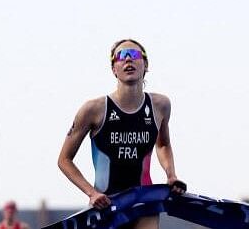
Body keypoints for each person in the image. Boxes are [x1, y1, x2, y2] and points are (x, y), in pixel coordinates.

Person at [57, 38, 185, 229]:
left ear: (145, 65)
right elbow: (64, 160)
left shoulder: (160, 106)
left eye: (134, 55)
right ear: (113, 69)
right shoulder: (94, 109)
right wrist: (91, 193)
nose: (128, 60)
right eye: (121, 56)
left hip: (144, 201)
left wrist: (171, 175)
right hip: (107, 205)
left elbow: (163, 144)